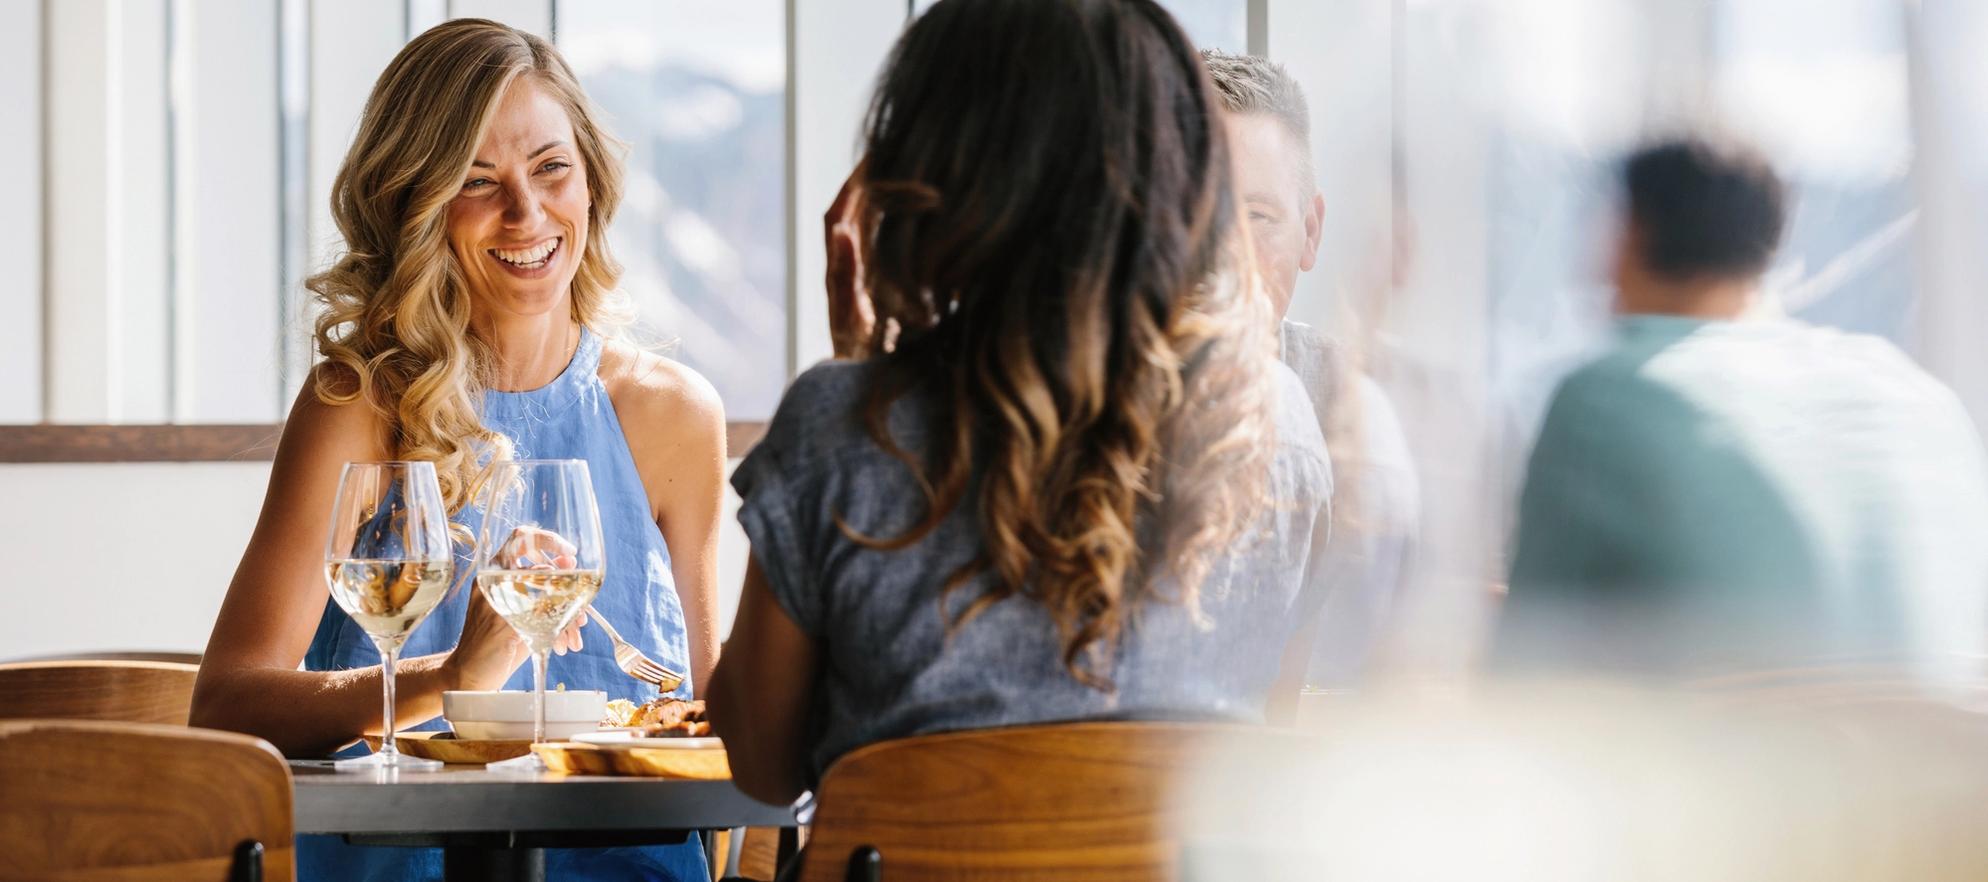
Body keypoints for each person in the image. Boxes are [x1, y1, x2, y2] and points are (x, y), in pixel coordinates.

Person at [706, 0, 1335, 807]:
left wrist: (855, 384)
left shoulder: (840, 429)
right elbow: (1261, 748)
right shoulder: (1277, 423)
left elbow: (760, 767)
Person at [189, 19, 724, 880]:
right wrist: (456, 674)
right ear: (418, 204)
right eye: (479, 182)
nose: (528, 213)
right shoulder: (358, 407)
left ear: (592, 182)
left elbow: (709, 713)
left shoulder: (676, 416)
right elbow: (224, 706)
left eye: (553, 169)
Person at [1495, 137, 1988, 680]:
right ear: (1769, 243)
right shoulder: (1919, 396)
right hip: (1941, 761)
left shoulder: (1607, 396)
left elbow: (1526, 675)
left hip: (1724, 761)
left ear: (1626, 236)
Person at [1201, 50, 1420, 688]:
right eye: (1192, 211)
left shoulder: (1359, 416)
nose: (1222, 254)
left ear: (1311, 232)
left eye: (1258, 218)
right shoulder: (1066, 397)